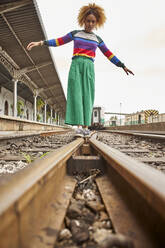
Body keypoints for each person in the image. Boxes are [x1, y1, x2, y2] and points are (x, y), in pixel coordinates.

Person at [27, 3, 134, 137]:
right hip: (76, 65)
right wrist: (41, 43)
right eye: (88, 21)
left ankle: (85, 126)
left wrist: (122, 65)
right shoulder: (75, 34)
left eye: (93, 22)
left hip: (89, 66)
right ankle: (78, 127)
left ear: (97, 23)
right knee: (76, 94)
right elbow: (59, 41)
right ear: (83, 20)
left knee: (88, 95)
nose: (90, 24)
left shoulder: (97, 39)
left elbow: (109, 54)